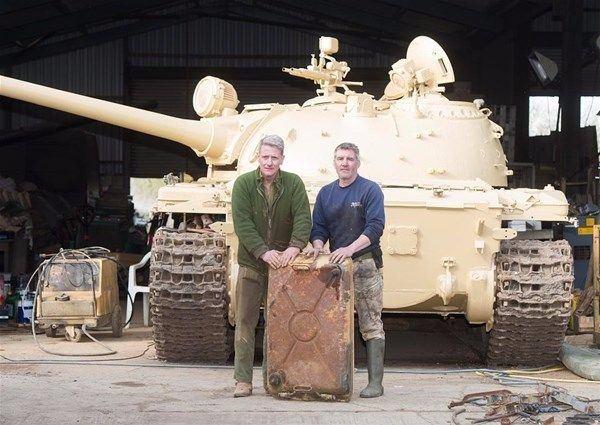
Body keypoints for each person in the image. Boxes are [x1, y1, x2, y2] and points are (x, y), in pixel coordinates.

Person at [231, 134, 311, 397]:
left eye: (274, 158)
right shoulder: (243, 184)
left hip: (283, 267)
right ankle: (243, 380)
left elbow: (303, 217)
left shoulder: (293, 183)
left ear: (282, 159)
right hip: (252, 264)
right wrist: (263, 252)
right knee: (245, 321)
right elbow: (242, 223)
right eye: (265, 157)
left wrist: (295, 247)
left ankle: (274, 378)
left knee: (280, 323)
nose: (269, 162)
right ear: (258, 157)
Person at [308, 142, 386, 398]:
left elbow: (375, 227)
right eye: (340, 158)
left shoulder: (369, 190)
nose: (345, 163)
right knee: (329, 322)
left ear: (357, 163)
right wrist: (318, 246)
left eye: (350, 159)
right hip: (335, 266)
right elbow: (318, 228)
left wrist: (350, 249)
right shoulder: (326, 193)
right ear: (334, 162)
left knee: (371, 323)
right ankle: (330, 378)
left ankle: (375, 383)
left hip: (364, 263)